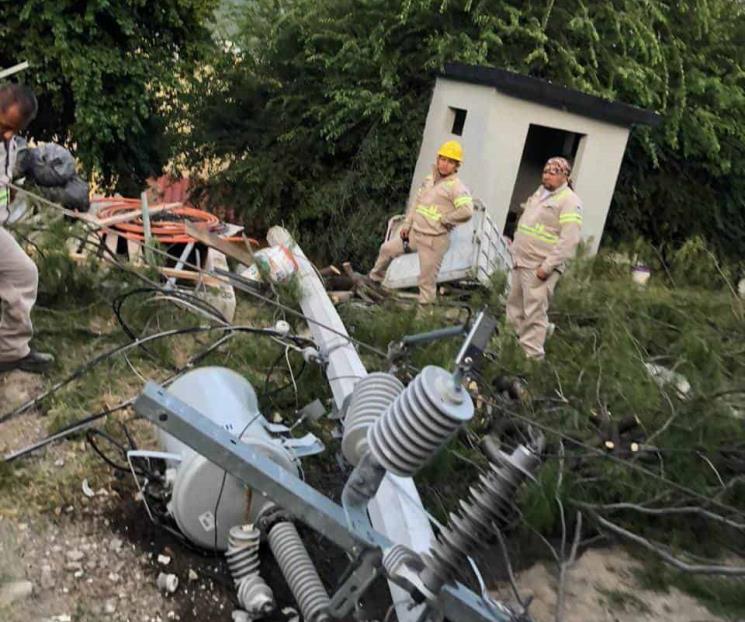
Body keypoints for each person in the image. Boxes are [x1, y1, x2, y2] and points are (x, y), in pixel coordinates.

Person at [368, 140, 473, 304]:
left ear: (456, 166)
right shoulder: (429, 180)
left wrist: (446, 219)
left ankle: (423, 321)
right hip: (414, 234)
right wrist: (407, 224)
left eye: (450, 162)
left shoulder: (456, 187)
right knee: (387, 249)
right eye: (443, 159)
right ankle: (373, 281)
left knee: (426, 284)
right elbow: (417, 203)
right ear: (438, 159)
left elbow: (467, 211)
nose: (445, 165)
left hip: (434, 241)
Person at [0, 83, 54, 373]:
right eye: (5, 126)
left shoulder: (7, 141)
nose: (9, 134)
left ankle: (9, 352)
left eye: (15, 129)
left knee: (23, 273)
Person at [506, 156, 582, 359]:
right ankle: (510, 355)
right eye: (545, 171)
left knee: (534, 315)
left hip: (539, 267)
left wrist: (547, 267)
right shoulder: (540, 194)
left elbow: (569, 239)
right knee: (514, 310)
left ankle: (530, 361)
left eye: (553, 173)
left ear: (565, 176)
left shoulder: (569, 201)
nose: (547, 175)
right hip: (521, 261)